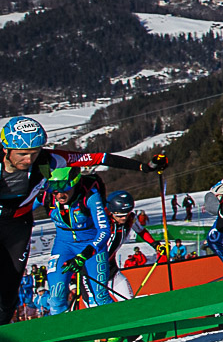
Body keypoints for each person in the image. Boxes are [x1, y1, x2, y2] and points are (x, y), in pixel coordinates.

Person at [0, 115, 162, 324]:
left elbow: (100, 157)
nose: (29, 160)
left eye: (34, 153)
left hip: (17, 226)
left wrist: (144, 167)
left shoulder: (50, 160)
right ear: (6, 149)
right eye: (22, 154)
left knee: (8, 292)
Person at [41, 166, 113, 314]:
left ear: (74, 184)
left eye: (64, 189)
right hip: (63, 246)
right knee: (56, 296)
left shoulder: (90, 197)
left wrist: (86, 253)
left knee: (100, 296)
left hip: (91, 245)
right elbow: (21, 208)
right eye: (55, 190)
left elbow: (105, 230)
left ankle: (122, 332)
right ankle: (62, 335)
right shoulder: (46, 197)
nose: (59, 195)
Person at [102, 190, 152, 300]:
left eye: (126, 214)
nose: (124, 218)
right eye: (119, 216)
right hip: (95, 272)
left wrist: (156, 245)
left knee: (128, 301)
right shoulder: (103, 222)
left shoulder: (131, 219)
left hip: (111, 270)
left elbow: (141, 232)